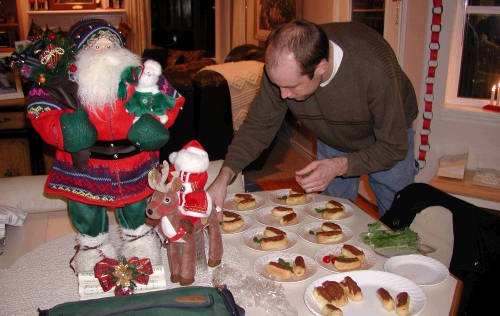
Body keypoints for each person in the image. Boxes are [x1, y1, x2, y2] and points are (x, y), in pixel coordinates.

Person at [208, 19, 418, 217]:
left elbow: (394, 146)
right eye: (278, 85)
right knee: (333, 215)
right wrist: (224, 177)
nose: (282, 95)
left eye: (291, 87)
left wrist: (339, 165)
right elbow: (256, 129)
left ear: (321, 68)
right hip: (332, 134)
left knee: (397, 219)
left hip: (387, 140)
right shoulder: (284, 71)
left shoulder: (374, 68)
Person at [25, 18, 184, 273]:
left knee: (137, 204)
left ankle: (139, 241)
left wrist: (155, 123)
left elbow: (170, 99)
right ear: (80, 53)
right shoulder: (62, 80)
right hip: (84, 164)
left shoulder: (140, 74)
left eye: (111, 43)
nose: (104, 50)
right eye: (96, 46)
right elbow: (39, 110)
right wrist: (65, 130)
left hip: (134, 160)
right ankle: (93, 248)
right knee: (84, 207)